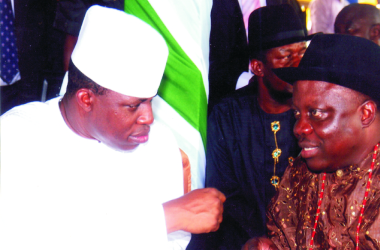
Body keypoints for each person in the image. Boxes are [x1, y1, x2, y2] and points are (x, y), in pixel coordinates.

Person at [0, 6, 225, 250]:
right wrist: (162, 218)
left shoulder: (158, 141)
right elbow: (23, 239)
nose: (148, 117)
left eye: (150, 101)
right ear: (86, 99)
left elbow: (173, 243)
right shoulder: (18, 137)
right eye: (133, 106)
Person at [244, 34, 380, 249]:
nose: (299, 128)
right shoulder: (300, 172)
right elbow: (282, 238)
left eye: (316, 113)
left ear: (365, 114)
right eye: (297, 113)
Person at [188, 5, 314, 250]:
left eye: (302, 53)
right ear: (258, 67)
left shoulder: (317, 113)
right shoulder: (228, 115)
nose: (298, 64)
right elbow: (224, 193)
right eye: (287, 56)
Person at [208, 0, 306, 114]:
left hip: (287, 102)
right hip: (232, 103)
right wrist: (253, 83)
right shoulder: (215, 4)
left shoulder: (288, 2)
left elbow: (298, 48)